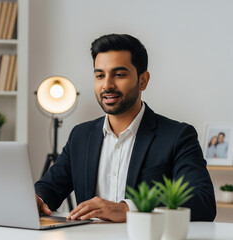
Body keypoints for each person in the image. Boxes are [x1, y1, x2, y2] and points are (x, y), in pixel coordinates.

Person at [34, 33, 216, 222]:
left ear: (143, 80)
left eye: (119, 75)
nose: (107, 85)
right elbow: (50, 188)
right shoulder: (81, 135)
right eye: (99, 75)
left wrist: (130, 209)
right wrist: (38, 199)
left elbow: (203, 202)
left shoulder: (177, 136)